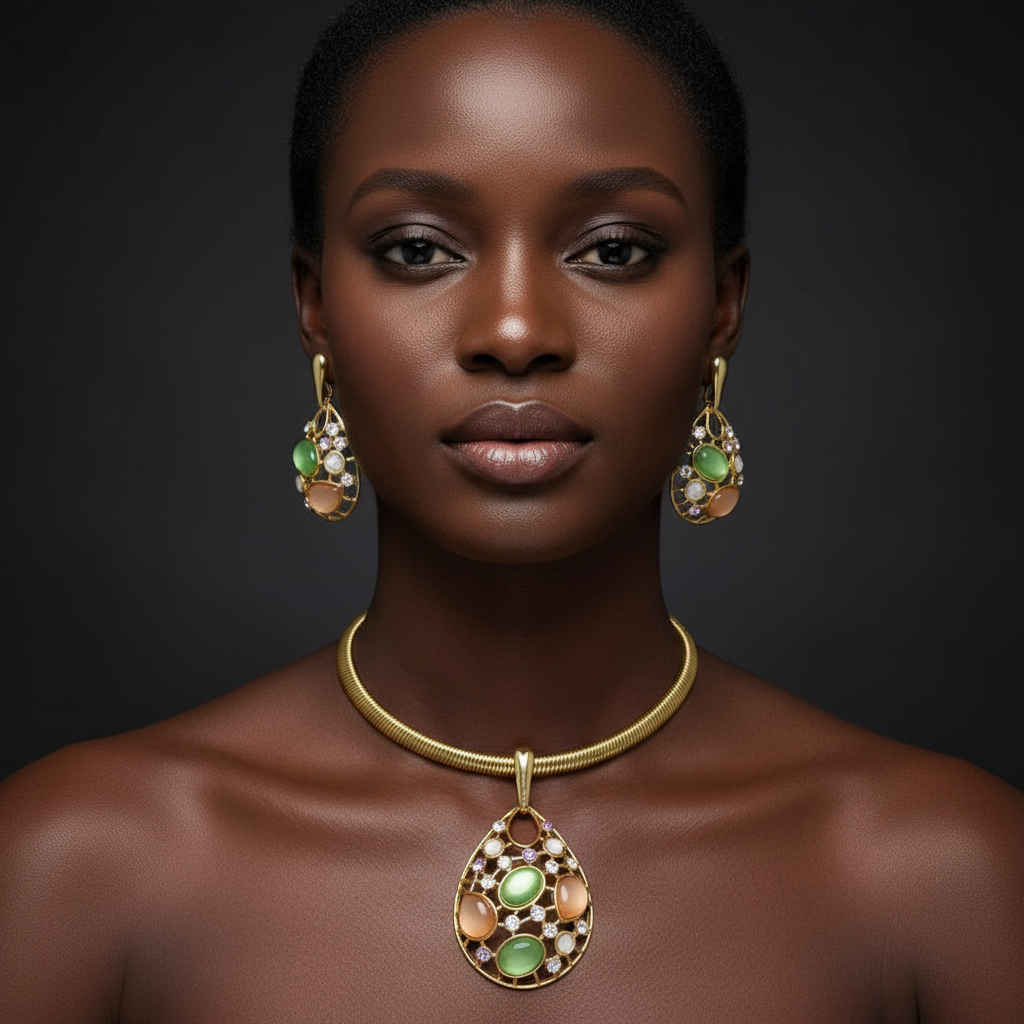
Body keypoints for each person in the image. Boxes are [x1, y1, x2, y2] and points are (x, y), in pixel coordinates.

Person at [2, 0, 1021, 1019]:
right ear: (314, 304)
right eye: (416, 248)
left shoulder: (945, 878)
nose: (516, 329)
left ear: (723, 304)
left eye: (614, 249)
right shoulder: (76, 867)